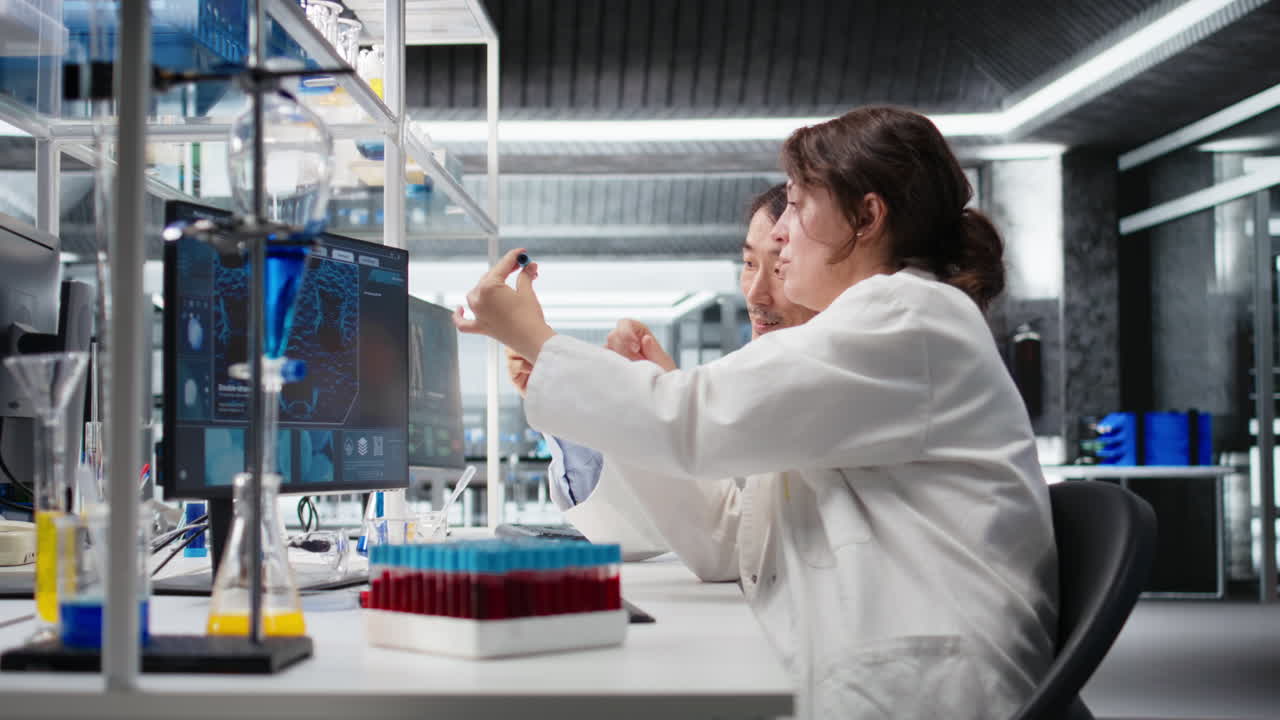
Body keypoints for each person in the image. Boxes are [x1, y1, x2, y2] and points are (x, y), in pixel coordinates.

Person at [456, 106, 1058, 720]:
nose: (782, 234)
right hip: (895, 666)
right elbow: (731, 536)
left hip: (930, 689)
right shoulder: (882, 326)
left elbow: (690, 420)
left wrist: (542, 342)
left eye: (796, 206)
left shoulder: (905, 315)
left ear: (868, 217)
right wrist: (643, 392)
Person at [505, 184, 818, 559]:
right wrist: (635, 402)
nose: (755, 295)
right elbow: (665, 529)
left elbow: (730, 541)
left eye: (781, 267)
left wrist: (642, 400)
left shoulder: (831, 382)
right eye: (750, 264)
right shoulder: (758, 381)